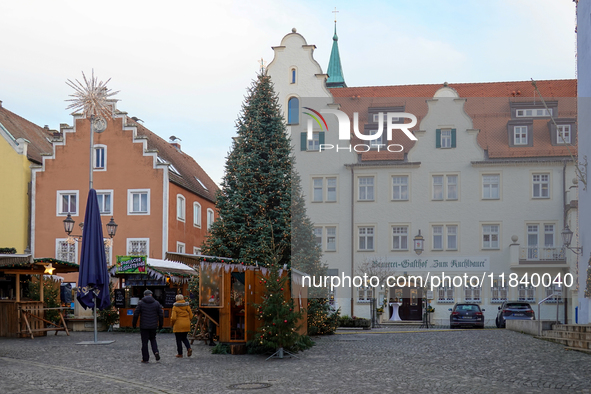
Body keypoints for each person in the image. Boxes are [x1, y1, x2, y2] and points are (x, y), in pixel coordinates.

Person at [132, 289, 163, 363]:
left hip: (144, 326)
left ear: (144, 295)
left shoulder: (141, 303)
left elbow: (136, 314)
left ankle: (145, 358)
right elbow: (161, 315)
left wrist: (134, 324)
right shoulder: (156, 303)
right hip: (153, 325)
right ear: (151, 295)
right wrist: (160, 325)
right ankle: (156, 351)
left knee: (144, 342)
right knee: (153, 339)